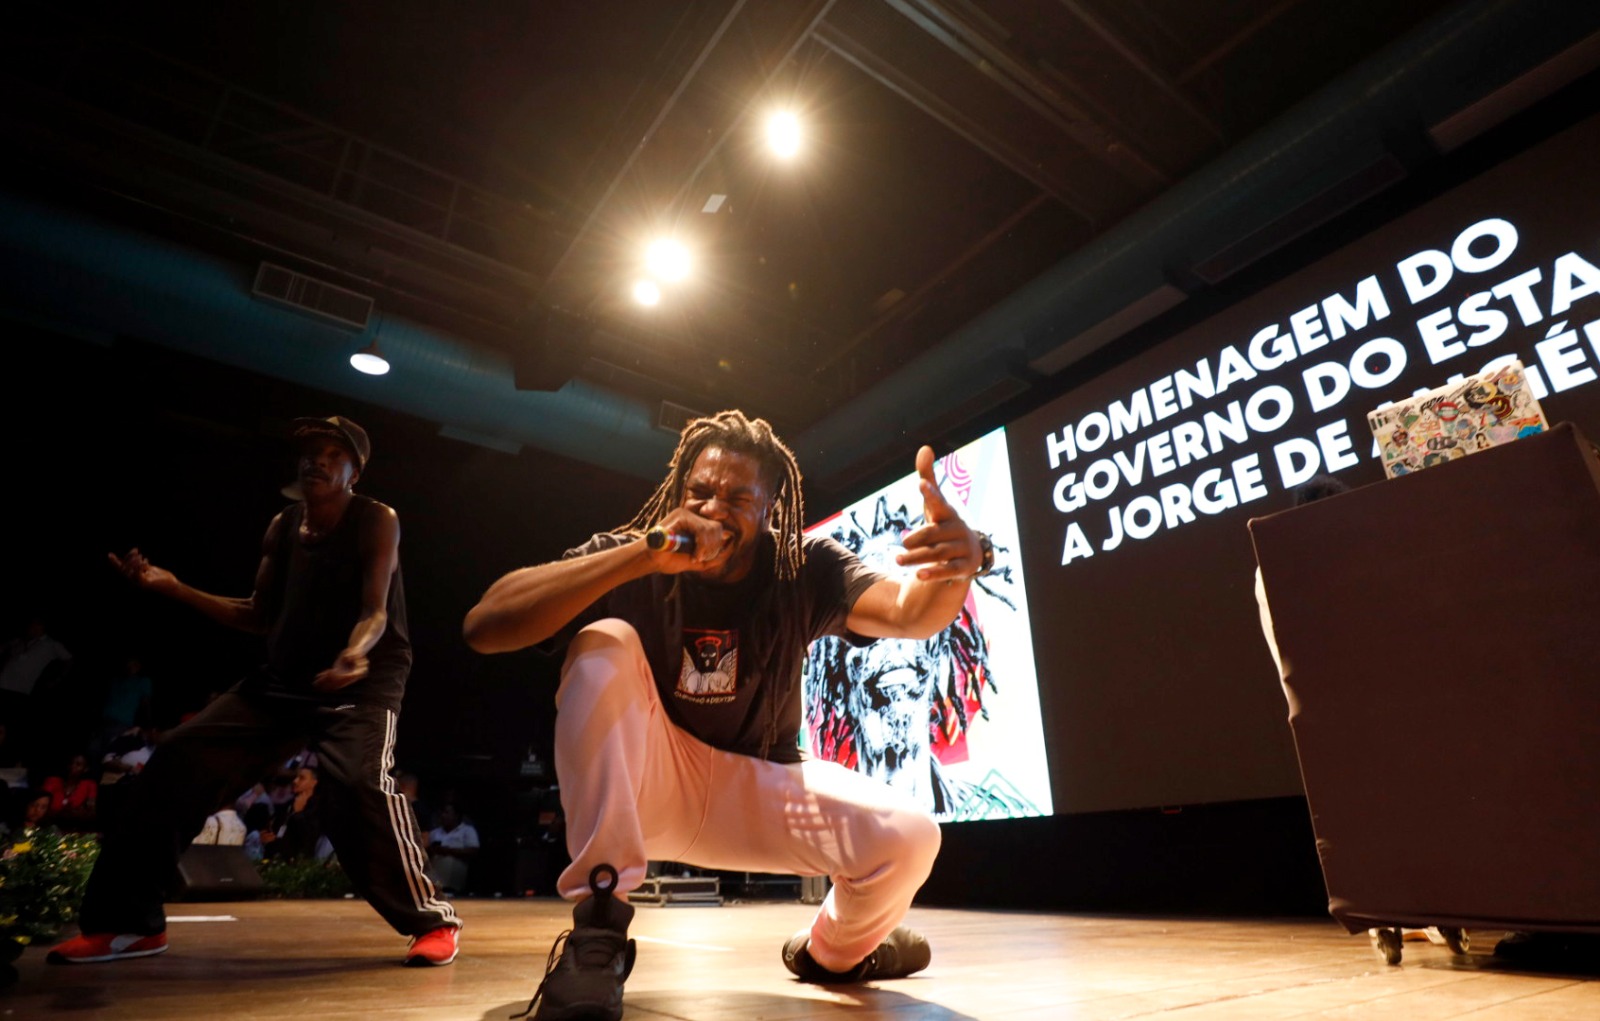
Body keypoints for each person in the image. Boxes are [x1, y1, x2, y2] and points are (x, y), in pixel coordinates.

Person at [464, 410, 991, 1020]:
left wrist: (958, 568)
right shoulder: (637, 552)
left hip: (759, 788)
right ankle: (598, 930)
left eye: (739, 499)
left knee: (912, 837)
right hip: (653, 783)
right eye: (700, 492)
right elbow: (484, 626)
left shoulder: (802, 565)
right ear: (677, 493)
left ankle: (832, 955)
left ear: (770, 510)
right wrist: (644, 556)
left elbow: (907, 612)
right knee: (603, 641)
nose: (713, 510)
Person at [49, 416, 459, 967]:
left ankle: (432, 921)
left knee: (357, 783)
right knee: (177, 756)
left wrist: (354, 652)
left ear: (354, 472)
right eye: (310, 452)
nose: (316, 460)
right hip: (284, 678)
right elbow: (257, 615)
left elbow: (375, 610)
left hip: (362, 676)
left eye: (332, 453)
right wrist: (174, 587)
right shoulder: (283, 526)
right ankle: (128, 925)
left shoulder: (375, 519)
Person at [427, 802, 480, 895]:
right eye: (442, 813)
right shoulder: (434, 833)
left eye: (447, 812)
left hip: (457, 878)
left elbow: (474, 850)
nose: (443, 815)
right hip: (435, 880)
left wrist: (449, 851)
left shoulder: (467, 830)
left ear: (456, 815)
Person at [41, 752, 98, 830]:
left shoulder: (89, 785)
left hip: (75, 827)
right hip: (48, 824)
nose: (73, 766)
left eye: (78, 764)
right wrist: (65, 813)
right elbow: (41, 807)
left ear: (85, 769)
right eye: (71, 763)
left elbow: (91, 813)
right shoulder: (52, 781)